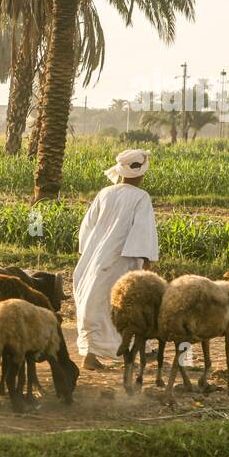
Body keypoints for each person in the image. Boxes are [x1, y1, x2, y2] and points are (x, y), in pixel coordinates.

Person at [73, 148, 160, 371]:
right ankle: (141, 351)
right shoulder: (141, 197)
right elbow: (142, 231)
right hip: (123, 260)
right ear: (140, 174)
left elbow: (87, 228)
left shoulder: (105, 193)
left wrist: (90, 253)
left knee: (94, 303)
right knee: (129, 305)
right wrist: (145, 261)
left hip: (96, 258)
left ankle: (91, 355)